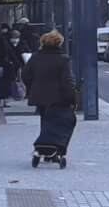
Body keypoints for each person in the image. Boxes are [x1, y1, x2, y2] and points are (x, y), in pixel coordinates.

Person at [24, 30, 78, 161]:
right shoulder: (63, 59)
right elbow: (67, 81)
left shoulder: (35, 57)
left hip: (39, 96)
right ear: (59, 43)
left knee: (45, 121)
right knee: (58, 123)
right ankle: (55, 150)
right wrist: (72, 97)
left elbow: (25, 75)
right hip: (58, 98)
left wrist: (32, 88)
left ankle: (43, 148)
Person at [2, 30, 26, 104]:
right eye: (13, 36)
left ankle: (17, 93)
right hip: (12, 65)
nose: (14, 38)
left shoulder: (21, 43)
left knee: (18, 79)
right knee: (12, 80)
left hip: (16, 64)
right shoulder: (7, 44)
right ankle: (15, 93)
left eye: (16, 37)